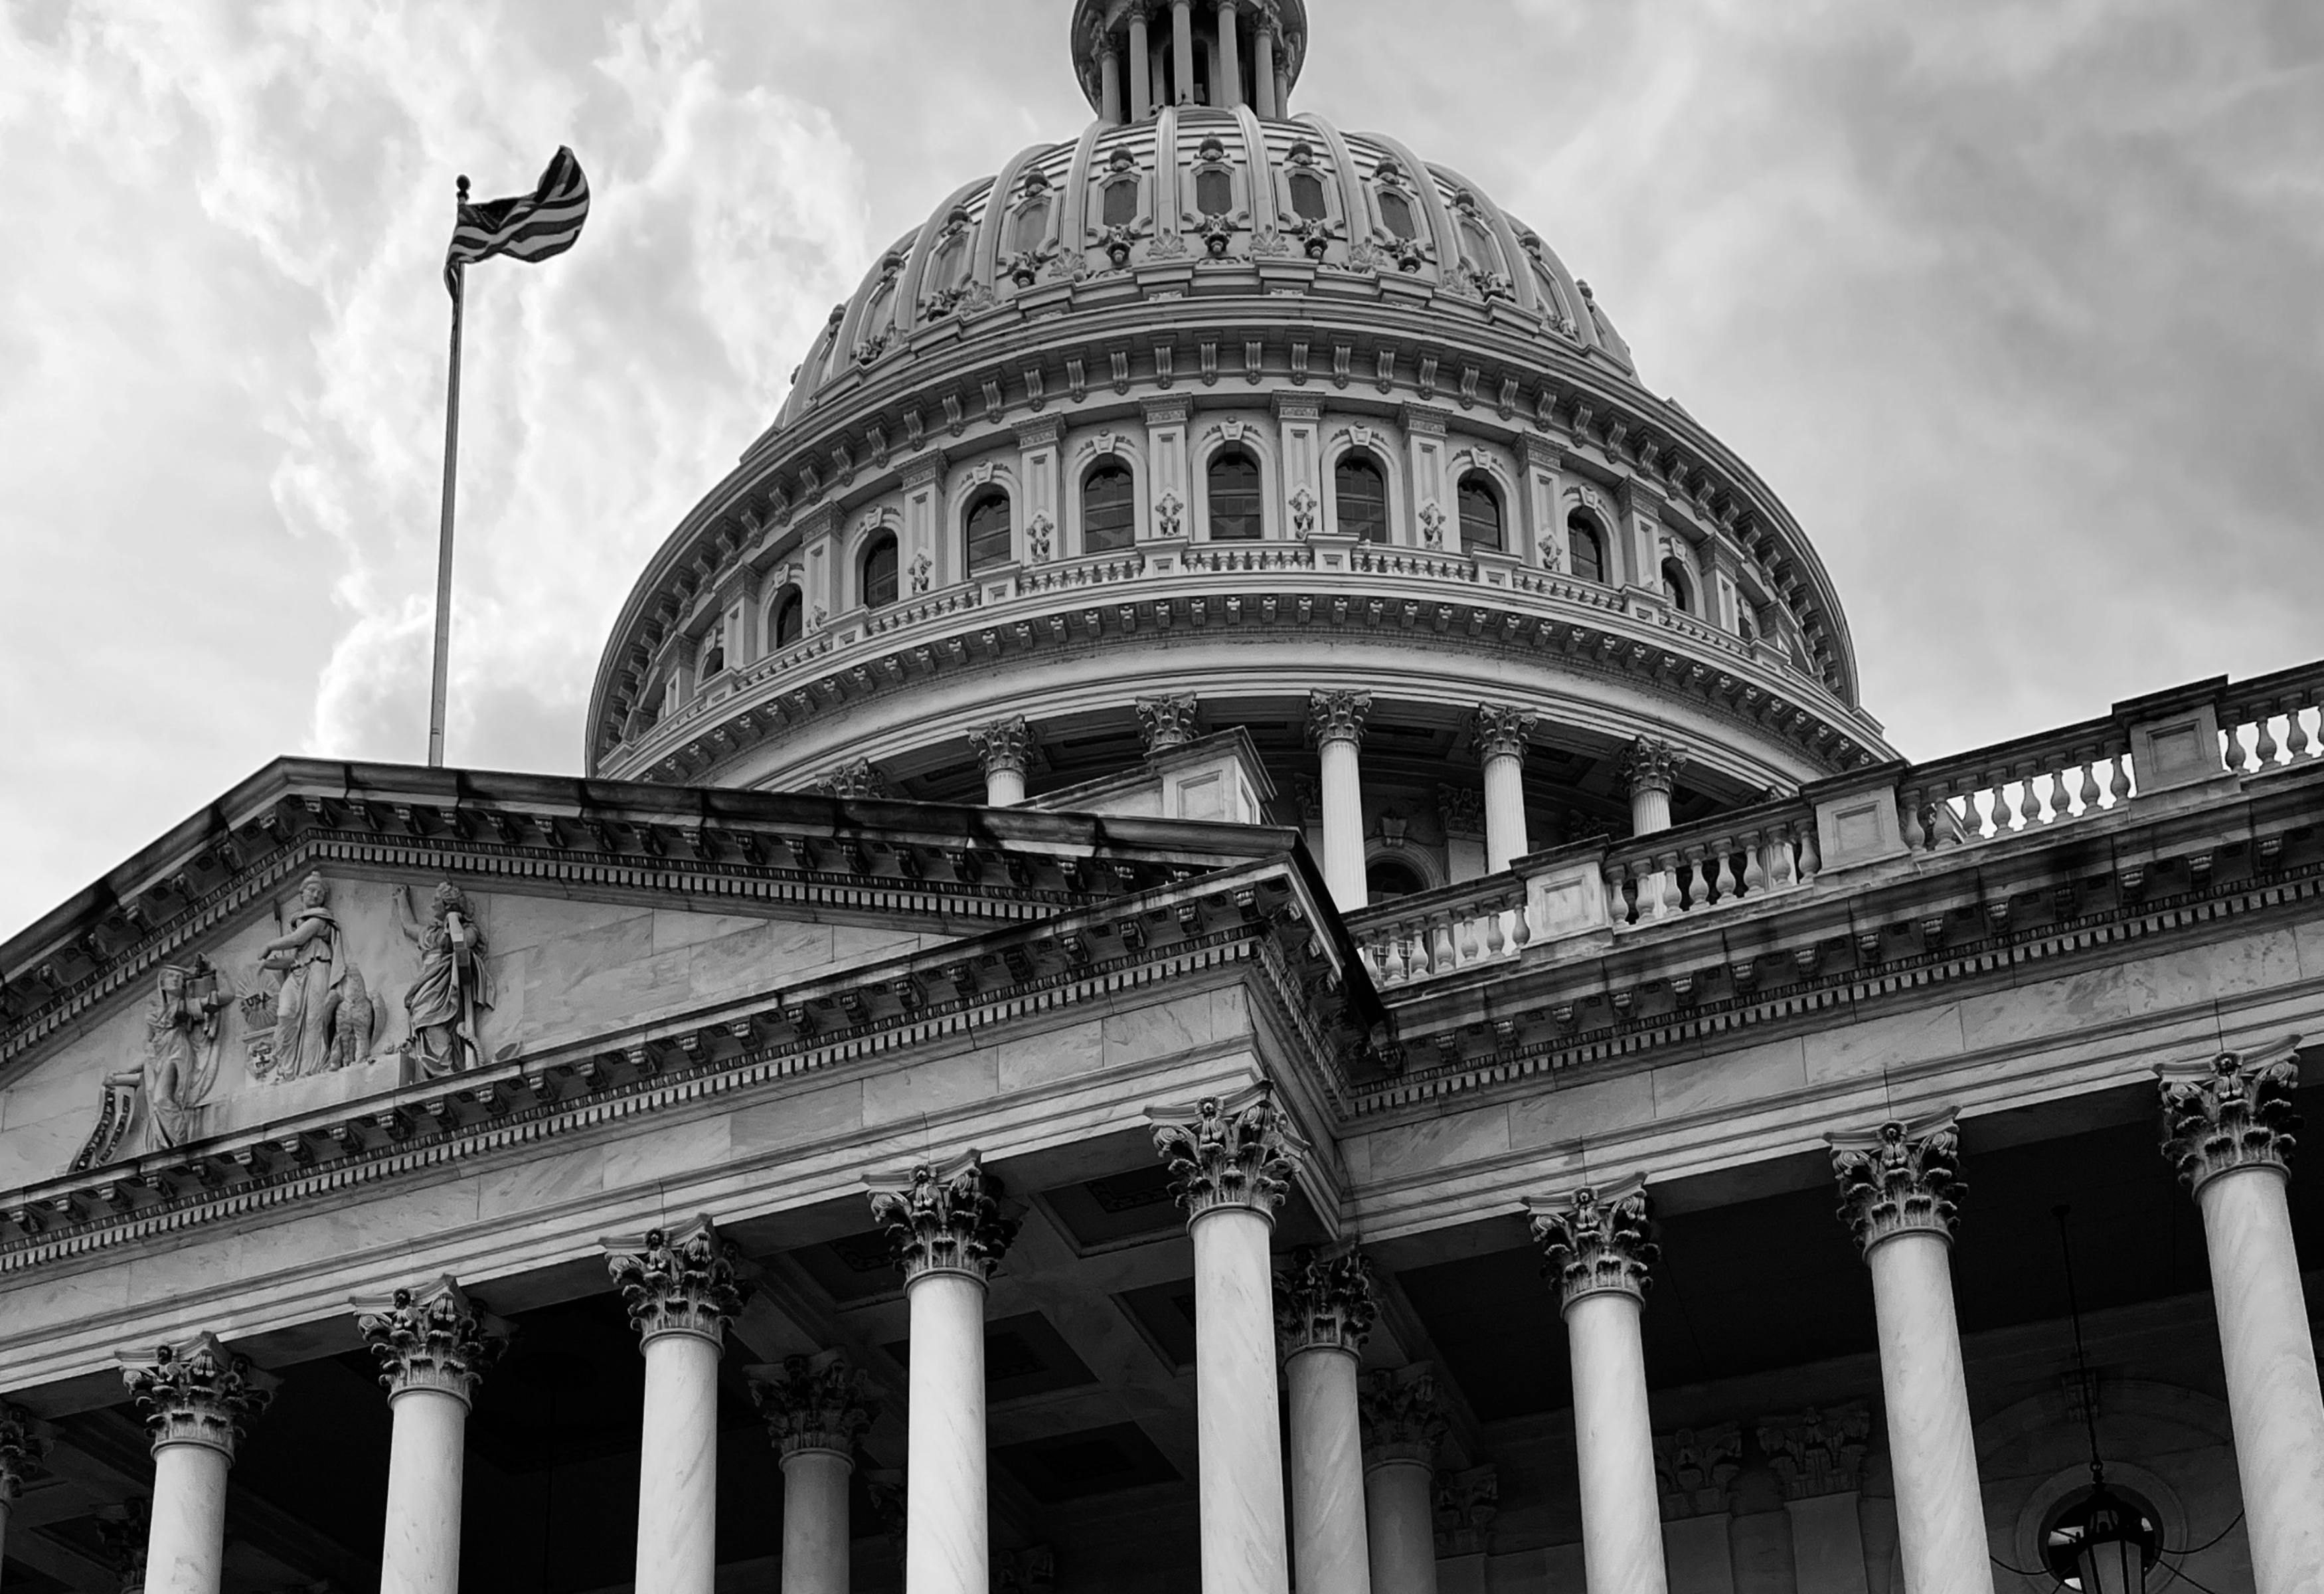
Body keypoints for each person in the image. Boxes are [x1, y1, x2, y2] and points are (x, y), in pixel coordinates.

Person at [396, 881, 494, 1078]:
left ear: (448, 905)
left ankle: (444, 1068)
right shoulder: (432, 933)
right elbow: (409, 927)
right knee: (424, 1022)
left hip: (444, 987)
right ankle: (434, 1067)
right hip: (425, 986)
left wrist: (453, 918)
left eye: (437, 901)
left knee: (433, 1022)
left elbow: (461, 947)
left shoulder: (469, 931)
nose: (432, 906)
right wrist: (401, 900)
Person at [256, 872, 345, 1079]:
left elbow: (298, 939)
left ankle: (311, 1068)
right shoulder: (300, 923)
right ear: (301, 894)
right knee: (285, 1014)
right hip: (297, 973)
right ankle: (288, 1069)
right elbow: (292, 958)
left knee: (315, 1017)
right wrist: (268, 964)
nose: (316, 895)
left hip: (318, 970)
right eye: (311, 891)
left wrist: (269, 945)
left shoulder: (320, 919)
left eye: (320, 893)